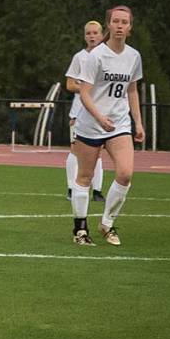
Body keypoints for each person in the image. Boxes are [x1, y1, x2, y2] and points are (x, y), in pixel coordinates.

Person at [70, 5, 144, 246]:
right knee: (85, 176)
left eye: (125, 22)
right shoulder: (96, 56)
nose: (120, 26)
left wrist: (138, 122)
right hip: (91, 124)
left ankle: (107, 223)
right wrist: (100, 117)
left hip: (120, 124)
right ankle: (80, 230)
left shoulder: (134, 56)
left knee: (125, 173)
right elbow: (85, 93)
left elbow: (132, 89)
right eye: (116, 21)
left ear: (130, 27)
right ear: (109, 25)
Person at [64, 20, 105, 203]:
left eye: (95, 33)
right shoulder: (79, 57)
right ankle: (72, 188)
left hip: (100, 111)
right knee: (75, 150)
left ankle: (97, 190)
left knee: (98, 150)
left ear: (102, 34)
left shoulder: (108, 56)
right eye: (88, 33)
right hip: (79, 111)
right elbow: (70, 84)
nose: (92, 36)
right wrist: (86, 88)